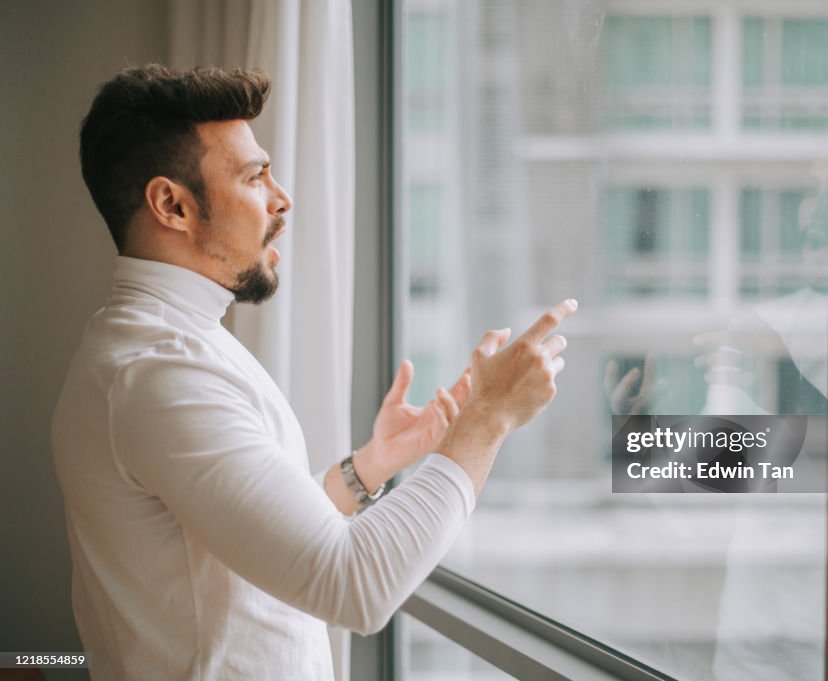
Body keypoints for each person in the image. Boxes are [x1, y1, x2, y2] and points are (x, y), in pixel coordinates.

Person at [51, 64, 576, 680]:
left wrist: (371, 467)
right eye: (254, 177)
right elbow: (354, 587)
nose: (282, 198)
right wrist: (489, 418)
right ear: (173, 205)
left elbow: (243, 541)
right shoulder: (160, 374)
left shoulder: (163, 346)